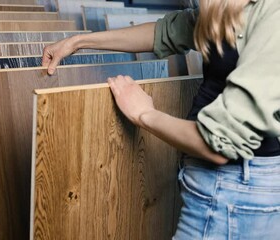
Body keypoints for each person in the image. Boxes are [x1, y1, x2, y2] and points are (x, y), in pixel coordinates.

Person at [42, 0, 280, 238]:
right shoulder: (231, 8)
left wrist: (145, 114)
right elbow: (165, 32)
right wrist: (77, 42)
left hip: (234, 191)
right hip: (224, 187)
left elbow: (219, 143)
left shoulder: (272, 14)